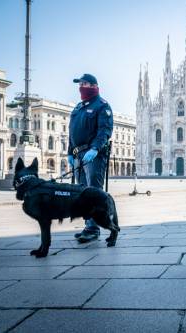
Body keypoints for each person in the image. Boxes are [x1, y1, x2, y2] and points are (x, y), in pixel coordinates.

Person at [68, 73, 113, 243]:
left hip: (93, 155)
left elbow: (104, 130)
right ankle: (88, 225)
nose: (81, 87)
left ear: (94, 86)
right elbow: (72, 131)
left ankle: (94, 228)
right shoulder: (79, 107)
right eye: (80, 84)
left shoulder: (102, 106)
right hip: (78, 154)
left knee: (93, 191)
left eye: (85, 84)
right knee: (82, 191)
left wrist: (95, 148)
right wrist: (69, 152)